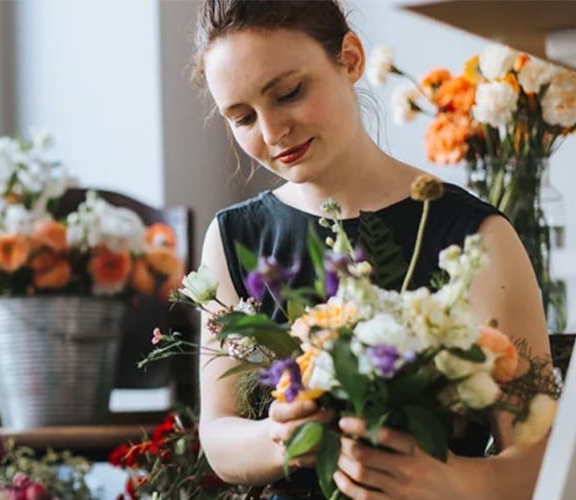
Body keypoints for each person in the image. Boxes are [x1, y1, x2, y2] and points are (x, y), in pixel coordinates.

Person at [192, 1, 552, 499]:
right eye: (242, 116)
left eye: (290, 93)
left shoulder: (477, 236)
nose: (273, 132)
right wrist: (280, 438)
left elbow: (542, 458)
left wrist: (454, 482)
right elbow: (218, 434)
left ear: (351, 59)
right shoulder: (233, 239)